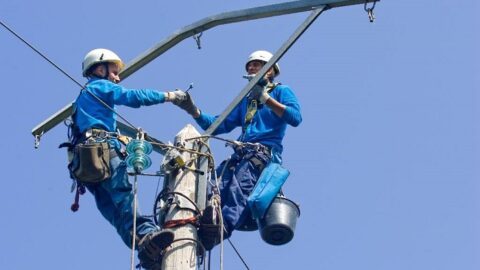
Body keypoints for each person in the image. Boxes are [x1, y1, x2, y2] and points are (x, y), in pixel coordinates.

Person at [69, 48, 186, 269]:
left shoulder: (81, 100)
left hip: (85, 164)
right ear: (100, 69)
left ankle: (143, 245)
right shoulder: (99, 86)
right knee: (124, 196)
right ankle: (147, 234)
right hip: (103, 152)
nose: (117, 77)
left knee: (112, 209)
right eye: (113, 72)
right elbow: (132, 97)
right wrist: (168, 96)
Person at [173, 50, 302, 247]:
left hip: (260, 153)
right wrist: (193, 110)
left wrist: (266, 99)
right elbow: (218, 124)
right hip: (240, 154)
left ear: (270, 70)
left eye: (257, 64)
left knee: (237, 190)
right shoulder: (247, 100)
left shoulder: (281, 91)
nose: (251, 67)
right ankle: (199, 224)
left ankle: (221, 230)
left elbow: (295, 118)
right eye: (250, 65)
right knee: (210, 187)